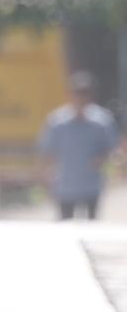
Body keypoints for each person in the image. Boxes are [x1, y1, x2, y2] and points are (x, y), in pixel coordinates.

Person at [38, 70, 119, 220]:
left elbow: (112, 148)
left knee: (91, 225)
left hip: (91, 184)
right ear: (70, 94)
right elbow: (48, 152)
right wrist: (45, 178)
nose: (80, 97)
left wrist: (102, 158)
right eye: (77, 92)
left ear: (90, 95)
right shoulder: (57, 121)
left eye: (84, 93)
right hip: (66, 184)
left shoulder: (102, 121)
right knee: (65, 226)